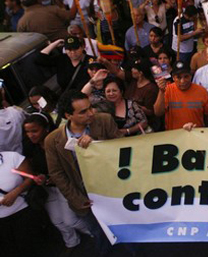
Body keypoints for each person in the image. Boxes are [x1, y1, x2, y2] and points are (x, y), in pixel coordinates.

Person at [45, 90, 123, 255]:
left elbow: (122, 150)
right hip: (84, 201)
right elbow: (57, 174)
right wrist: (77, 199)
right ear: (68, 115)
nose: (91, 113)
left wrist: (96, 144)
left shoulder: (104, 120)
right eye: (83, 112)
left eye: (90, 108)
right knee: (100, 235)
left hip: (113, 193)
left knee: (125, 231)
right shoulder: (52, 141)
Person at [22, 113, 91, 254]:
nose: (31, 135)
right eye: (27, 132)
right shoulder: (29, 147)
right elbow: (31, 168)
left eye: (34, 131)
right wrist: (38, 177)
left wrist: (57, 177)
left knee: (70, 220)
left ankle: (96, 233)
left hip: (64, 186)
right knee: (57, 221)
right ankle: (72, 242)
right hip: (48, 188)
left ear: (46, 129)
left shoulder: (58, 142)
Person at [0, 150, 44, 257]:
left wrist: (16, 192)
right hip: (1, 222)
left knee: (28, 248)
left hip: (22, 211)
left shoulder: (12, 157)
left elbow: (30, 178)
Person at [154, 60, 208, 130]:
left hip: (196, 134)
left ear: (191, 76)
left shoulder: (202, 91)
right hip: (174, 136)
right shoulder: (167, 90)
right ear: (173, 78)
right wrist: (161, 91)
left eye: (186, 77)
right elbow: (158, 112)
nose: (182, 81)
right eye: (179, 77)